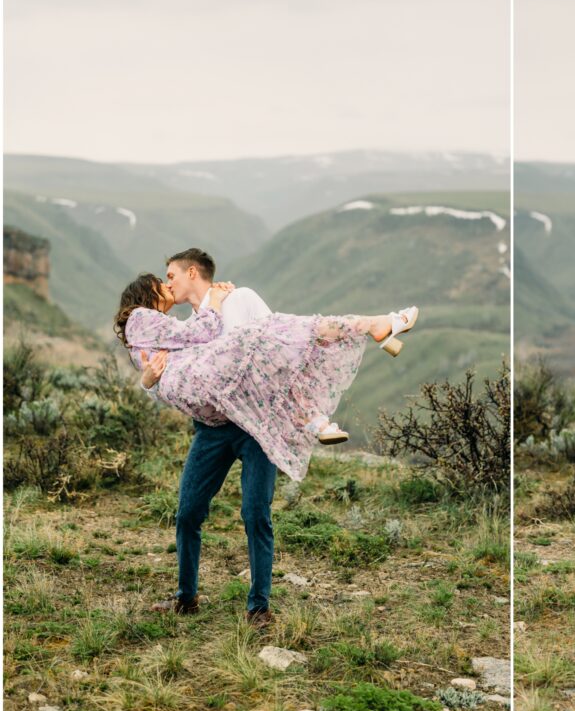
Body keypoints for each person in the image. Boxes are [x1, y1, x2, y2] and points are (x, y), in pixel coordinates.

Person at [114, 249, 416, 626]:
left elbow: (266, 352)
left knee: (256, 512)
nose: (168, 284)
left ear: (192, 273)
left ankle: (259, 606)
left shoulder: (234, 300)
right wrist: (146, 382)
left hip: (255, 427)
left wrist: (221, 303)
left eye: (170, 276)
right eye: (162, 282)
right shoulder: (176, 322)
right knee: (189, 512)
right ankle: (185, 597)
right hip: (212, 431)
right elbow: (169, 373)